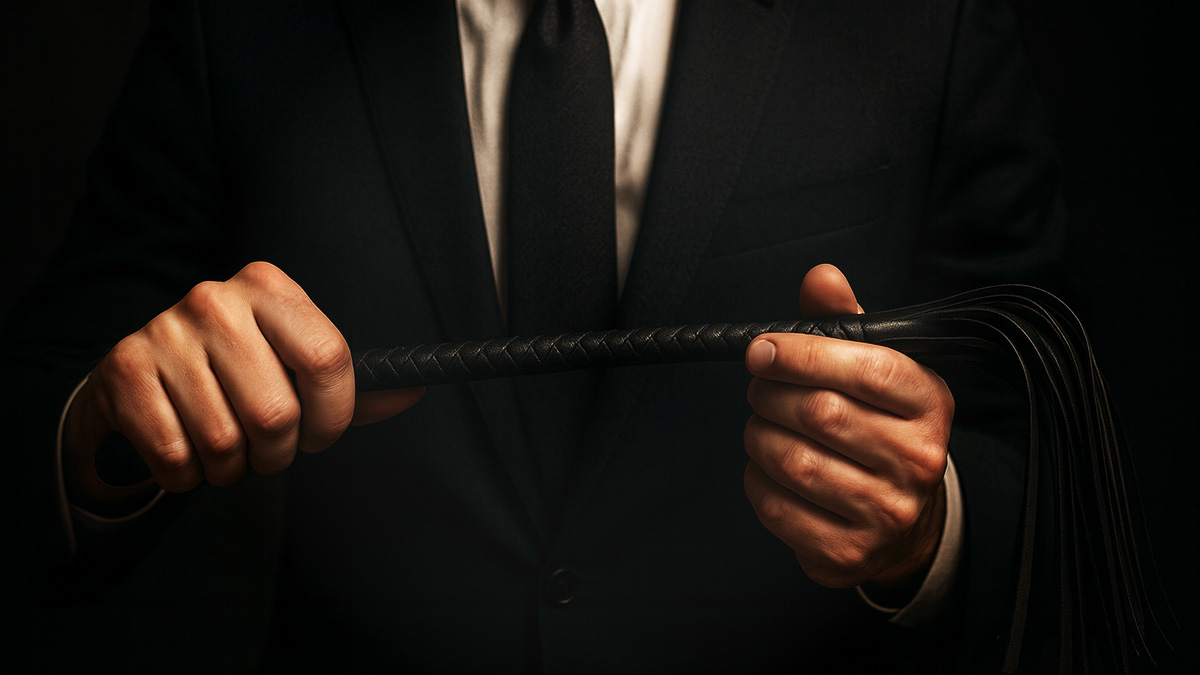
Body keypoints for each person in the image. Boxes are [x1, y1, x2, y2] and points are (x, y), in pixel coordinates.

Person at [5, 0, 1067, 671]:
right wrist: (105, 426)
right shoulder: (236, 20)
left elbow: (1069, 463)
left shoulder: (926, 20)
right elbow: (38, 415)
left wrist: (927, 533)